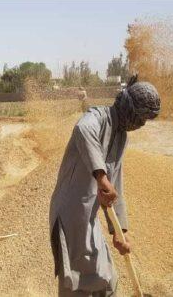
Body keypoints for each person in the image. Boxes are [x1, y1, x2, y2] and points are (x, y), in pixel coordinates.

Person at [49, 76, 161, 296]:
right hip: (71, 215)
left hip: (88, 218)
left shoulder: (121, 137)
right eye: (142, 118)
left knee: (106, 278)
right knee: (80, 282)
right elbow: (82, 129)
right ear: (130, 109)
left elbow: (115, 183)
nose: (142, 124)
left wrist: (119, 232)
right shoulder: (96, 118)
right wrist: (101, 176)